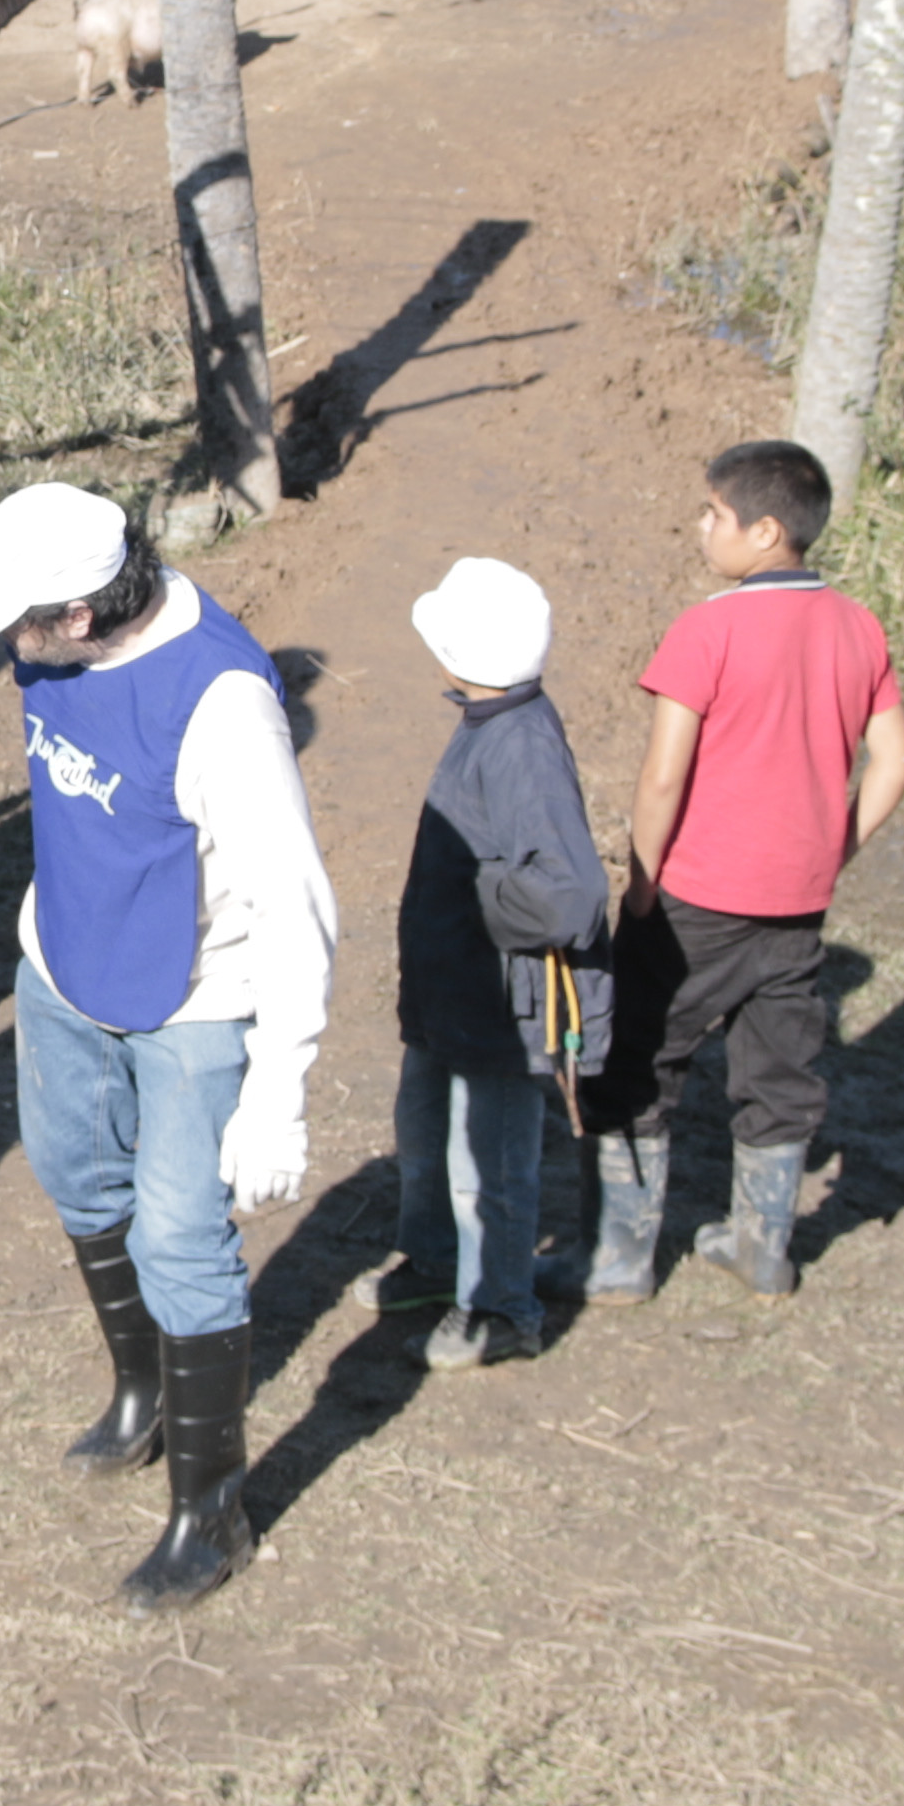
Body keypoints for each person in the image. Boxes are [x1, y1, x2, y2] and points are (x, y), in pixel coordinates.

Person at [0, 481, 333, 1612]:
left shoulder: (220, 705)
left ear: (77, 616)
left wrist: (279, 1093)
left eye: (18, 623)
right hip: (64, 965)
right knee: (73, 1175)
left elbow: (295, 903)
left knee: (180, 1240)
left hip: (193, 999)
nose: (2, 647)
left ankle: (214, 1515)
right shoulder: (60, 650)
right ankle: (141, 1391)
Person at [591, 441, 904, 1308]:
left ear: (765, 530)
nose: (703, 527)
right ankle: (763, 1248)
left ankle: (623, 1261)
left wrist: (643, 878)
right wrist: (835, 846)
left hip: (697, 895)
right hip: (798, 904)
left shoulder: (710, 628)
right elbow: (895, 760)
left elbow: (664, 774)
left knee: (640, 1061)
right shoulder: (859, 625)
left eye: (714, 514)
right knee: (780, 1074)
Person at [388, 556, 607, 1376]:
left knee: (492, 1166)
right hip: (451, 994)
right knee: (425, 1132)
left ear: (457, 655)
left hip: (504, 1010)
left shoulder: (521, 747)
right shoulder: (491, 717)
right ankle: (437, 1262)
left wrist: (474, 900)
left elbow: (572, 893)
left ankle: (501, 1308)